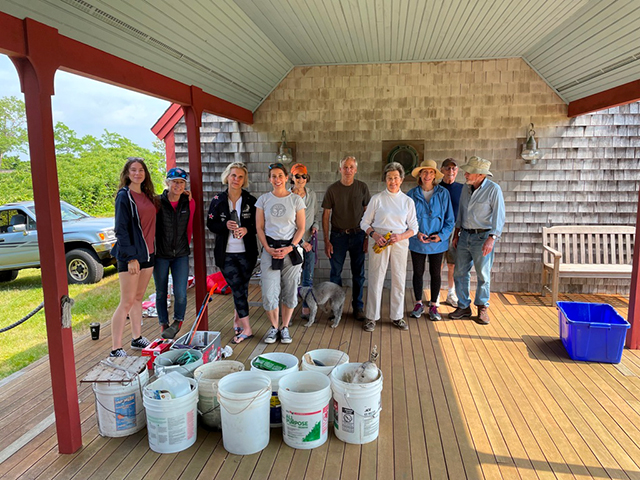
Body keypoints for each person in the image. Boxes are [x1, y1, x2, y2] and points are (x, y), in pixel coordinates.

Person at [360, 162, 418, 332]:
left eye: (395, 178)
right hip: (379, 241)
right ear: (385, 179)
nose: (392, 181)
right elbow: (364, 222)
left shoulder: (407, 201)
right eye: (389, 178)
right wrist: (374, 235)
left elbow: (414, 228)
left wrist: (400, 236)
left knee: (399, 279)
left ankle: (397, 316)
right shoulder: (377, 199)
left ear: (401, 180)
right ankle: (371, 317)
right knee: (376, 278)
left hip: (399, 242)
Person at [449, 156, 505, 325]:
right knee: (460, 272)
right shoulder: (466, 189)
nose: (465, 174)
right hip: (464, 235)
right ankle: (463, 306)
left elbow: (499, 216)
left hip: (483, 237)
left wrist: (492, 238)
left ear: (480, 175)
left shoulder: (494, 190)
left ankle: (482, 307)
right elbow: (461, 213)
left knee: (483, 274)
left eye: (469, 172)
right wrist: (457, 232)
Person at [109, 157, 157, 357]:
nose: (138, 173)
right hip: (132, 256)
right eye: (133, 170)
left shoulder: (147, 195)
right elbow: (120, 229)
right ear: (127, 174)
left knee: (138, 298)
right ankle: (115, 348)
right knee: (127, 301)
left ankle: (137, 338)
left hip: (148, 254)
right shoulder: (124, 196)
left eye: (141, 170)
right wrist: (130, 258)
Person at [207, 162, 258, 344]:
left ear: (244, 180)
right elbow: (211, 224)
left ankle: (237, 320)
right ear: (227, 177)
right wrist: (225, 226)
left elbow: (258, 226)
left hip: (247, 253)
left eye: (240, 177)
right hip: (226, 253)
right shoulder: (217, 200)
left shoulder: (252, 201)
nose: (236, 179)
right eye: (233, 175)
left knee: (242, 289)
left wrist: (246, 229)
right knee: (236, 288)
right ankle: (247, 328)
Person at [256, 163, 305, 344]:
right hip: (270, 250)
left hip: (291, 252)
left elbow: (301, 228)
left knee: (290, 291)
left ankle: (284, 327)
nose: (277, 179)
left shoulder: (296, 200)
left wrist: (290, 247)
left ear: (287, 178)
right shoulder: (263, 200)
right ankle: (273, 327)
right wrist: (268, 249)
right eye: (273, 176)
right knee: (269, 293)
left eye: (280, 176)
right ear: (270, 179)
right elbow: (259, 228)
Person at [322, 155, 371, 321]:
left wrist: (367, 238)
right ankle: (336, 308)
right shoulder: (332, 189)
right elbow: (326, 215)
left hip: (358, 235)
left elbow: (368, 214)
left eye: (351, 167)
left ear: (356, 170)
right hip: (338, 236)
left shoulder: (362, 187)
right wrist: (326, 240)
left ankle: (358, 307)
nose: (348, 170)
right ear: (340, 169)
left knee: (359, 274)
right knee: (335, 274)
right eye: (345, 167)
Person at [407, 160, 454, 321]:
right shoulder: (411, 195)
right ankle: (418, 304)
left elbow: (450, 219)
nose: (428, 175)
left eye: (431, 172)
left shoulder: (443, 193)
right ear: (420, 174)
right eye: (425, 172)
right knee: (418, 273)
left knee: (436, 273)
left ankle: (434, 305)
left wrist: (441, 235)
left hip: (437, 242)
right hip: (417, 241)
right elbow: (406, 220)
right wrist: (416, 234)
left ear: (435, 175)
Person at [153, 167, 195, 340]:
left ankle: (178, 321)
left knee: (180, 291)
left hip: (181, 254)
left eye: (181, 182)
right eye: (175, 181)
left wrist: (184, 245)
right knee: (161, 291)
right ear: (167, 182)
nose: (178, 185)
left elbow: (190, 227)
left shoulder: (189, 202)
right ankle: (164, 323)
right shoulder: (157, 202)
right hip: (161, 254)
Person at [289, 163, 318, 320]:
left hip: (309, 241)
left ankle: (306, 307)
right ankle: (290, 309)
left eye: (303, 176)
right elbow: (286, 224)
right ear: (292, 178)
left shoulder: (311, 195)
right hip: (292, 244)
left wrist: (315, 226)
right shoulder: (286, 196)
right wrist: (300, 242)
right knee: (291, 278)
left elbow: (316, 215)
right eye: (297, 176)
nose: (301, 179)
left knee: (308, 275)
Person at [439, 158, 464, 307]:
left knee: (452, 264)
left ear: (457, 171)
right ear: (442, 170)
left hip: (456, 230)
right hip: (439, 230)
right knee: (438, 264)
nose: (451, 171)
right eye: (447, 168)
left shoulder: (462, 189)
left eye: (454, 168)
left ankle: (451, 293)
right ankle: (435, 293)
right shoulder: (437, 188)